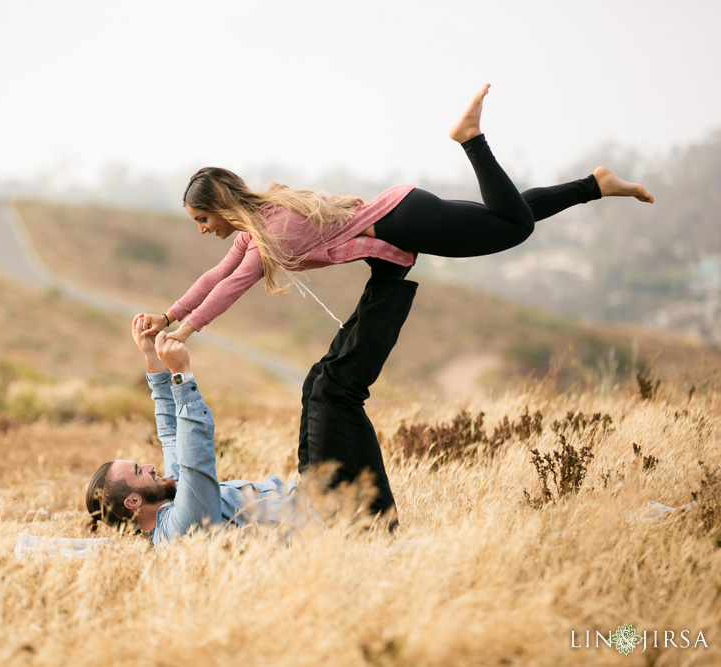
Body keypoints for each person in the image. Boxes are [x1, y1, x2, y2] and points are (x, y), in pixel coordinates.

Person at [136, 83, 655, 522]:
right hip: (400, 225)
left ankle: (471, 140)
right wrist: (170, 315)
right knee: (501, 215)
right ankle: (595, 185)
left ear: (218, 207)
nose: (204, 231)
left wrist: (187, 332)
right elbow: (216, 275)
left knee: (511, 227)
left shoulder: (269, 230)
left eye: (202, 220)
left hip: (404, 220)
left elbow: (232, 286)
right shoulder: (255, 228)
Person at [85, 314, 321, 546]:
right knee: (327, 389)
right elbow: (195, 459)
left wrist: (150, 357)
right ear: (134, 501)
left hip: (314, 494)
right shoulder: (179, 528)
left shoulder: (174, 502)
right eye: (139, 471)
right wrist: (181, 374)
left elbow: (171, 436)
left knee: (318, 387)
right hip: (326, 518)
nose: (150, 466)